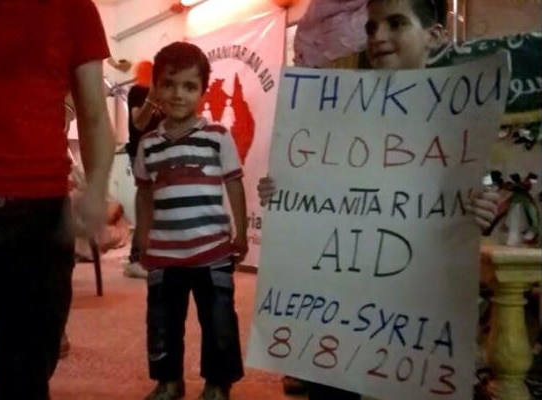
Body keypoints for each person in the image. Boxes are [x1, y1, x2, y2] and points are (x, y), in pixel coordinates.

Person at [257, 0, 500, 398]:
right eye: (371, 27)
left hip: (417, 310)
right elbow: (315, 194)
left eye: (396, 23)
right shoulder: (336, 113)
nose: (379, 37)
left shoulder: (461, 117)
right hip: (339, 308)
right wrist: (284, 194)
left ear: (435, 36)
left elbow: (478, 200)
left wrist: (483, 209)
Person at [0, 1, 115, 399]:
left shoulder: (75, 9)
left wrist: (96, 189)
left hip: (37, 218)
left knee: (23, 378)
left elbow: (93, 115)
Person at [133, 41, 247, 400]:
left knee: (219, 322)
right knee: (162, 324)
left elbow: (234, 185)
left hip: (212, 249)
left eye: (189, 86)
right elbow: (145, 193)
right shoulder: (148, 144)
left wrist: (240, 233)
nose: (178, 94)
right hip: (164, 255)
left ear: (202, 90)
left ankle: (218, 382)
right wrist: (142, 237)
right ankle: (168, 380)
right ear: (155, 89)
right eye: (168, 84)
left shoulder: (217, 137)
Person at [123, 83, 163, 279]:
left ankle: (150, 255)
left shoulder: (170, 92)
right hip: (141, 152)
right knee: (147, 202)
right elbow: (138, 122)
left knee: (159, 205)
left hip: (163, 154)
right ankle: (136, 258)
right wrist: (152, 97)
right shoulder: (138, 91)